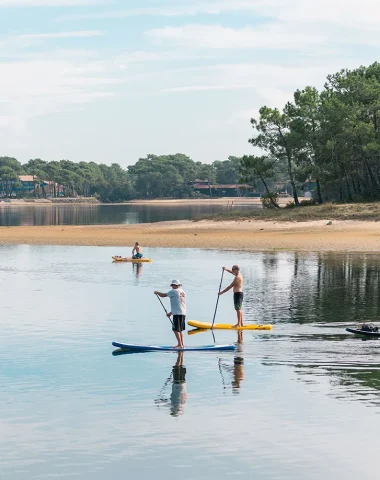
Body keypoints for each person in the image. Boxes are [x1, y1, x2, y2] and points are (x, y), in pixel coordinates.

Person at [154, 279, 186, 348]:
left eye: (173, 285)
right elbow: (178, 304)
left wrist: (157, 292)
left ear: (176, 285)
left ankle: (179, 345)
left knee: (175, 329)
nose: (172, 286)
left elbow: (163, 295)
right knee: (180, 329)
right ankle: (182, 344)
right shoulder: (182, 291)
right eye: (172, 285)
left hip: (177, 314)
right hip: (182, 313)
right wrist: (171, 313)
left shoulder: (174, 291)